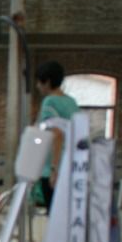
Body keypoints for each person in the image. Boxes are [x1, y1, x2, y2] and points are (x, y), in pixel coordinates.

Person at [35, 60, 79, 208]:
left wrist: (54, 169)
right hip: (71, 166)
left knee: (54, 216)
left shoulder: (49, 102)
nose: (38, 87)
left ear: (46, 81)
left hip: (53, 170)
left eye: (39, 82)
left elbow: (57, 134)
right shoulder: (72, 102)